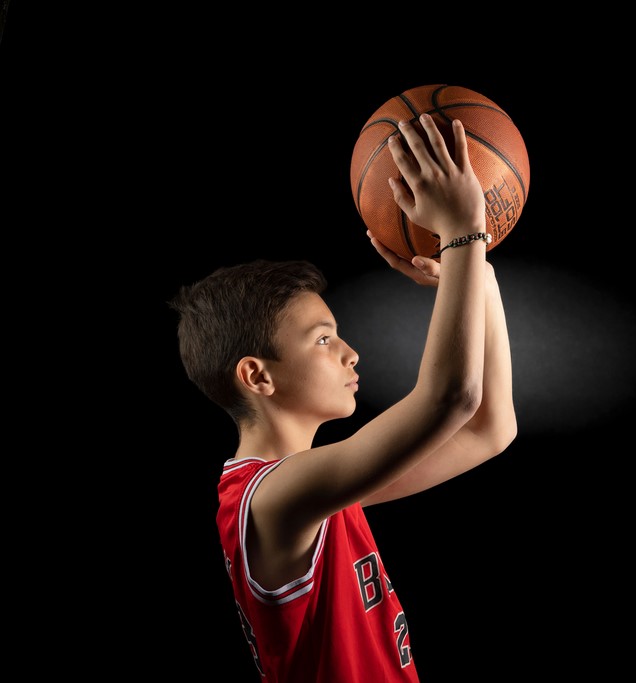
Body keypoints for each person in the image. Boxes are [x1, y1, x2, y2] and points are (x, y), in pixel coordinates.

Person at [169, 113, 516, 681]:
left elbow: (489, 428)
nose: (350, 353)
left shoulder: (322, 492)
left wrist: (479, 274)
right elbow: (450, 397)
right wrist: (462, 232)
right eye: (323, 340)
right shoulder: (272, 500)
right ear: (257, 376)